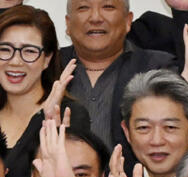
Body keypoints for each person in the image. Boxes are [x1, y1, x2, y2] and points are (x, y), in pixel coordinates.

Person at [0, 5, 87, 177]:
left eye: (29, 51)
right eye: (5, 49)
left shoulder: (68, 115)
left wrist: (44, 124)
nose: (15, 61)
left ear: (47, 59)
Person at [62, 0, 177, 152]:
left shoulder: (158, 67)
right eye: (84, 8)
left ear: (128, 21)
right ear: (68, 24)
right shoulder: (47, 67)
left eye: (108, 7)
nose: (95, 18)